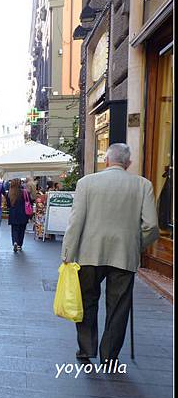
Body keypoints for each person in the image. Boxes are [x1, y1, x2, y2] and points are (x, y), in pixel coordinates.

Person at [62, 144, 159, 365]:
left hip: (89, 253)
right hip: (124, 255)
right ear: (128, 163)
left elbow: (75, 222)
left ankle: (86, 349)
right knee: (119, 307)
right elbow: (152, 226)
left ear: (106, 161)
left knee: (87, 301)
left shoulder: (86, 183)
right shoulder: (143, 185)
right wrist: (136, 244)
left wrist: (68, 252)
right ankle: (109, 356)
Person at [6, 178, 32, 252]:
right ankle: (20, 245)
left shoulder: (9, 193)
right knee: (22, 229)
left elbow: (8, 205)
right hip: (23, 214)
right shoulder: (24, 192)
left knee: (14, 229)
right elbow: (29, 201)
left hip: (13, 214)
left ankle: (15, 242)